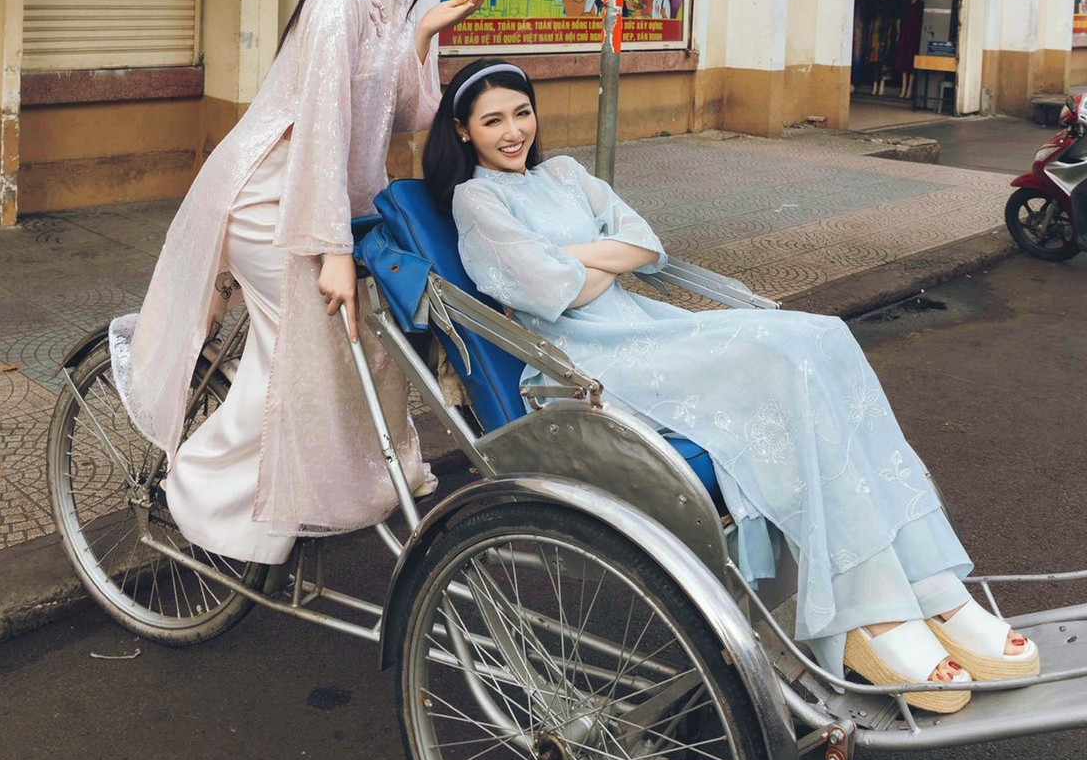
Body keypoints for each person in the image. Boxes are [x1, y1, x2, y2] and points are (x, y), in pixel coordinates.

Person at [422, 58, 1039, 709]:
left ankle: (934, 588)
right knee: (773, 362)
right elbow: (547, 291)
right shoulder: (477, 199)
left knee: (822, 336)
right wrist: (592, 260)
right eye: (493, 120)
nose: (513, 130)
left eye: (522, 112)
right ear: (463, 131)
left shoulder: (567, 173)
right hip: (585, 359)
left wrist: (577, 259)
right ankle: (873, 615)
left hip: (643, 324)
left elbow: (644, 246)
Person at [109, 0, 485, 565]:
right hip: (269, 195)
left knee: (361, 347)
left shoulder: (393, 4)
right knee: (300, 359)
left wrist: (426, 37)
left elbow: (411, 114)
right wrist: (333, 250)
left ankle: (306, 494)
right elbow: (320, 126)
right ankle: (196, 490)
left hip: (324, 203)